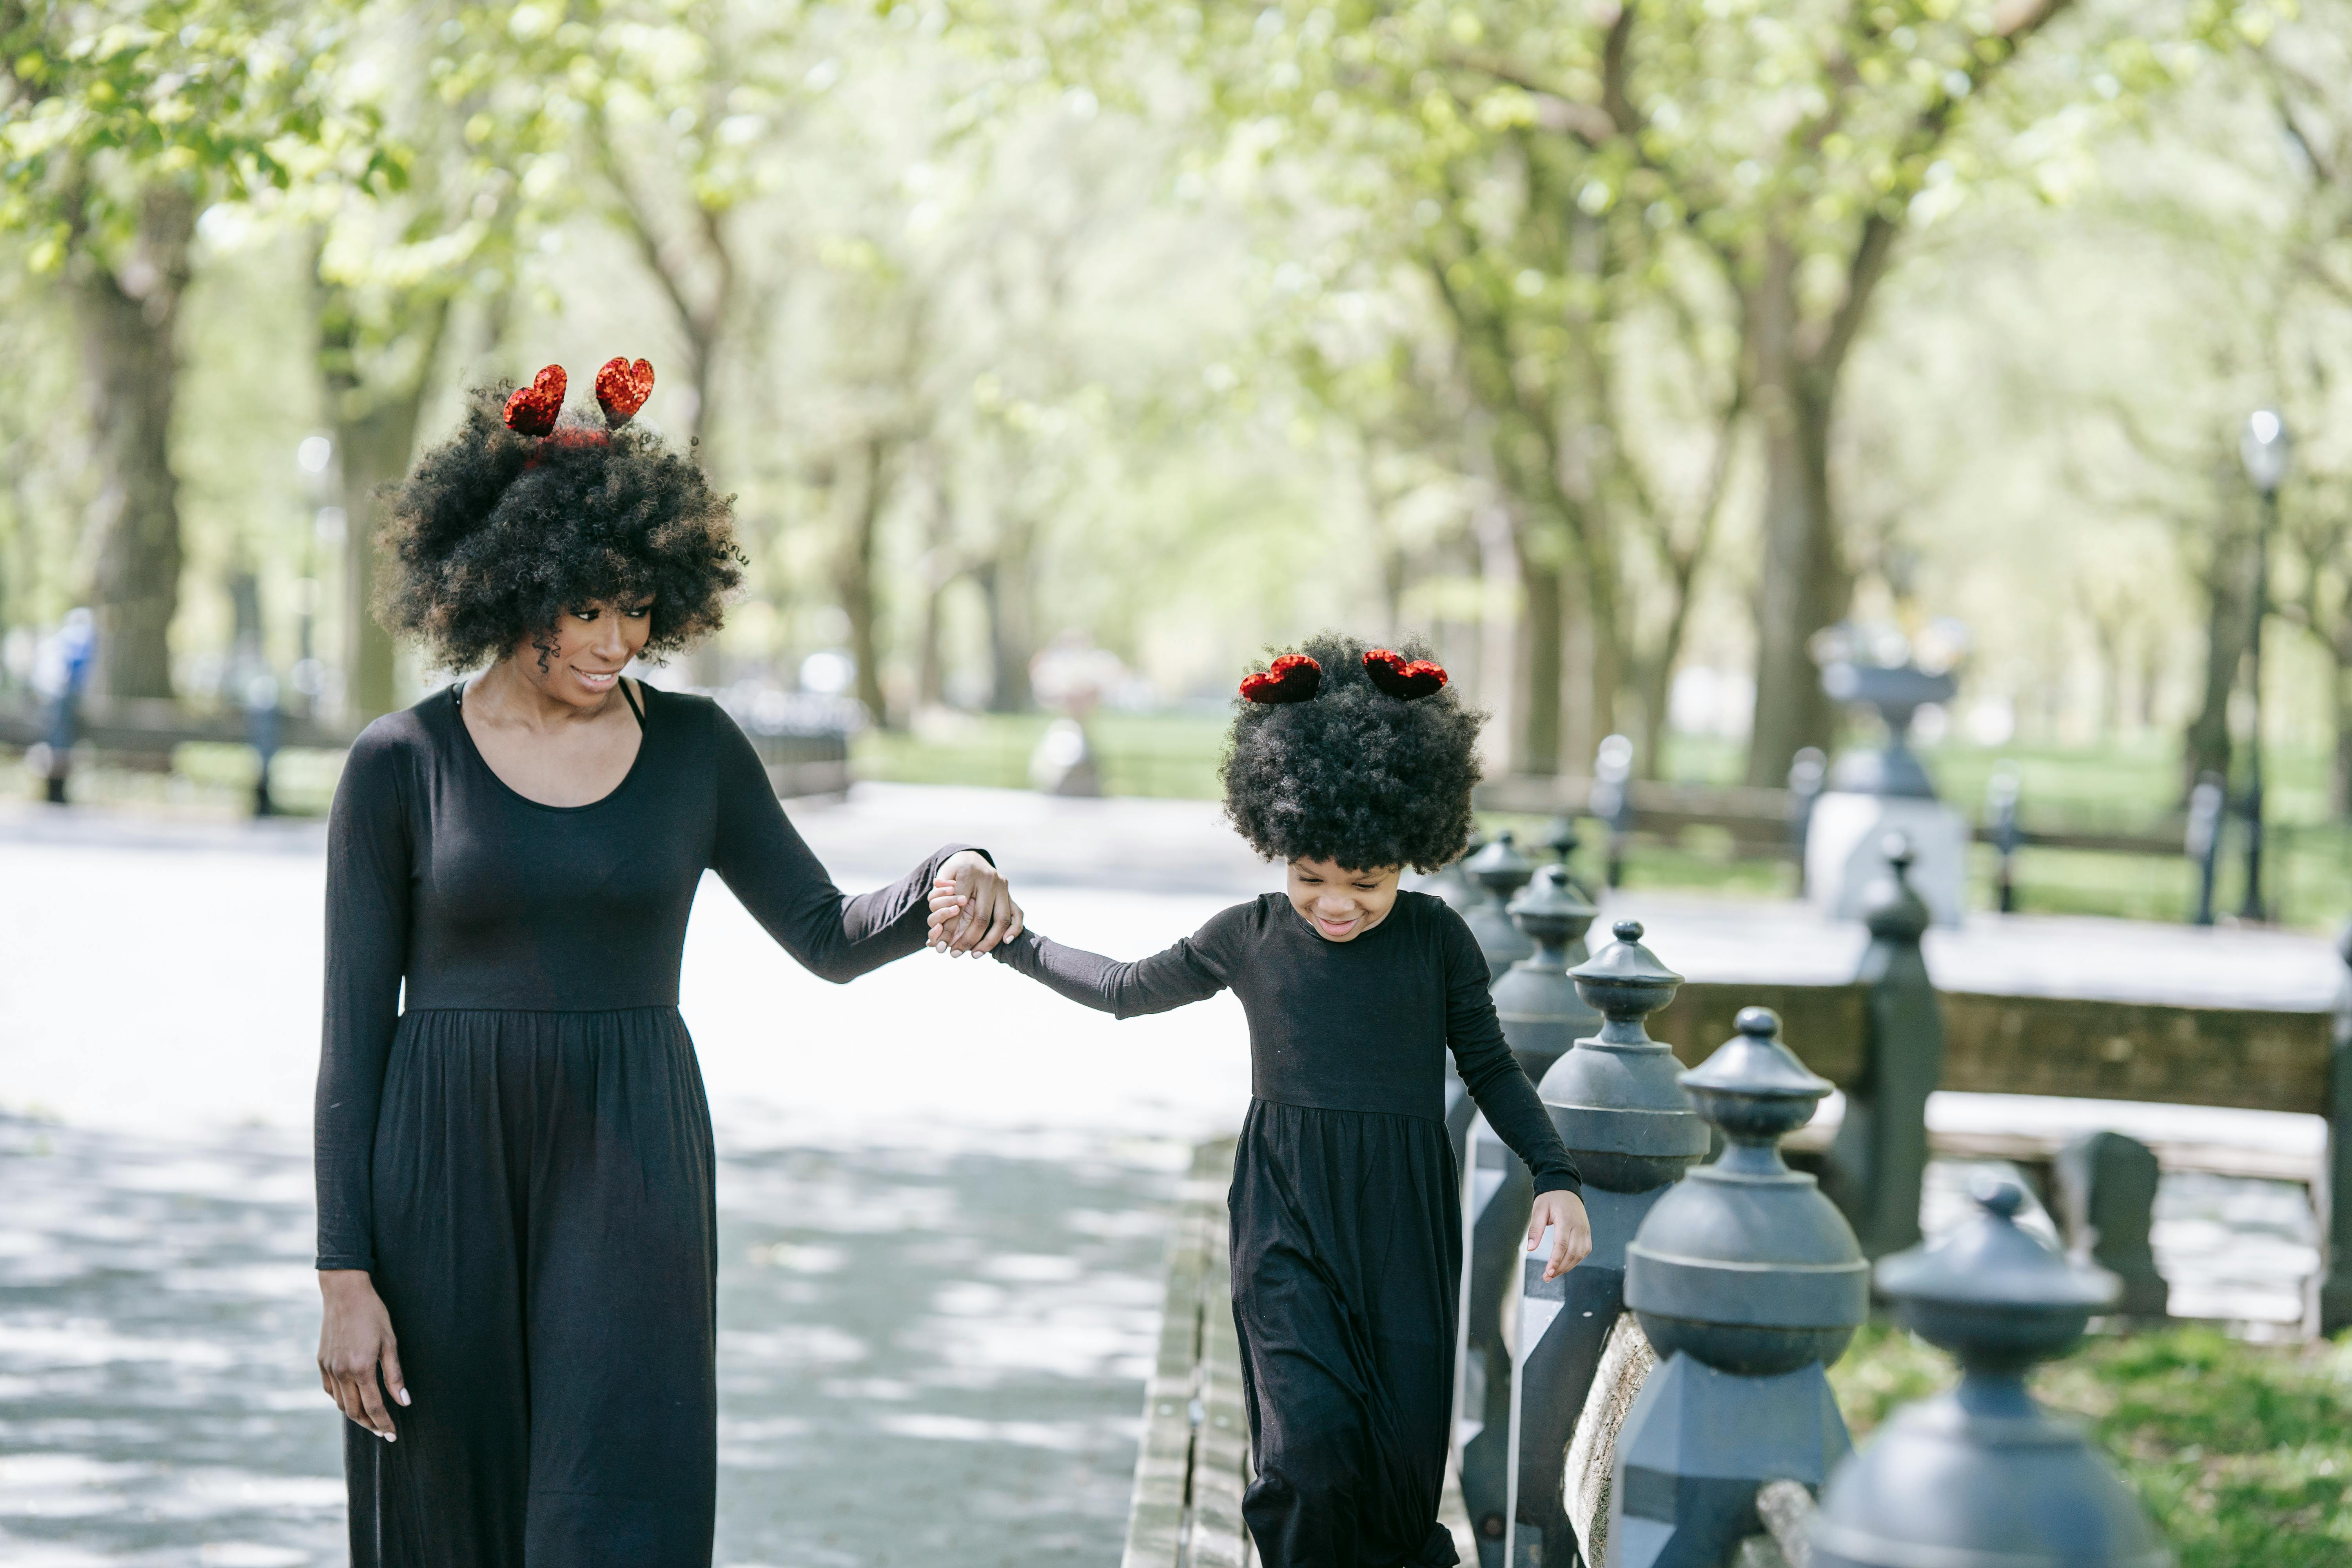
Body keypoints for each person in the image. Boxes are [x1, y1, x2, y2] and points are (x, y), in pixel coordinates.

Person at [312, 359, 1024, 1567]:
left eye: (638, 609)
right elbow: (350, 1040)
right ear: (504, 586)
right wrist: (344, 1274)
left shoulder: (696, 748)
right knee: (447, 1520)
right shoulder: (399, 764)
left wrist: (953, 869)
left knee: (618, 1506)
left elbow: (826, 934)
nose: (616, 642)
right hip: (438, 1171)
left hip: (629, 1165)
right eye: (584, 610)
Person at [931, 633, 1590, 1568]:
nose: (1334, 903)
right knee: (1308, 1454)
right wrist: (1011, 941)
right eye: (1310, 875)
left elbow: (1492, 1068)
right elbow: (1124, 985)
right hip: (1284, 1219)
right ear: (1278, 838)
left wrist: (1555, 1176)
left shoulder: (1438, 941)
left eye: (1364, 882)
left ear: (1410, 849)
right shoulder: (1248, 935)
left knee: (1398, 1477)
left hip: (1404, 1226)